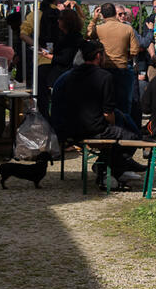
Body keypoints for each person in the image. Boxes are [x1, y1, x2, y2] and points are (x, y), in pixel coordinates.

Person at [51, 40, 143, 183]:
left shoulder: (66, 77)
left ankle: (116, 166)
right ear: (99, 56)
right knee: (132, 137)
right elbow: (108, 113)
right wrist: (112, 124)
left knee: (121, 119)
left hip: (66, 128)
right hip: (91, 128)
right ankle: (111, 168)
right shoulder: (104, 76)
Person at [88, 2, 140, 117]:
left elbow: (89, 34)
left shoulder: (99, 28)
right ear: (115, 14)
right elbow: (135, 50)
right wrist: (125, 56)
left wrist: (94, 19)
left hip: (104, 68)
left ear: (103, 14)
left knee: (106, 103)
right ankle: (125, 129)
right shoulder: (127, 28)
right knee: (124, 104)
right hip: (122, 68)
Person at [21, 0, 62, 89]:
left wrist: (36, 45)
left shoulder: (34, 15)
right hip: (60, 60)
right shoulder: (62, 15)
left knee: (42, 96)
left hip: (41, 59)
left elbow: (23, 34)